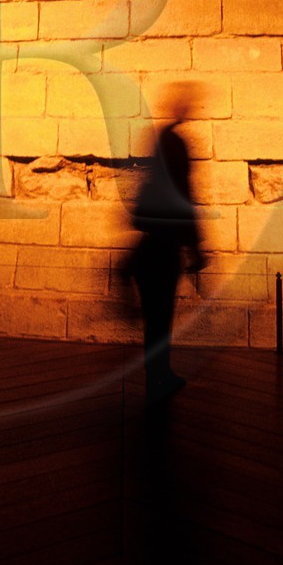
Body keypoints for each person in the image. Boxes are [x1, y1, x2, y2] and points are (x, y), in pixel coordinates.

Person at [124, 83, 205, 403]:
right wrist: (197, 245)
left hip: (150, 243)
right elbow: (186, 195)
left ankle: (157, 373)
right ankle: (159, 375)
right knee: (161, 315)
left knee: (155, 316)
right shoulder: (176, 144)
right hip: (166, 246)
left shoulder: (158, 140)